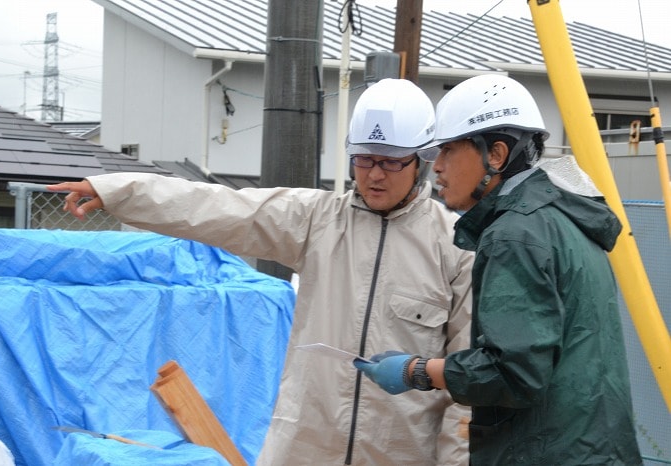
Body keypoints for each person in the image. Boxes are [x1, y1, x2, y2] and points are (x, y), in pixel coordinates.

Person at [47, 78, 474, 465]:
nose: (375, 174)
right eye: (364, 160)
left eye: (391, 161)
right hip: (306, 447)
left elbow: (465, 378)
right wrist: (117, 192)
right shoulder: (317, 222)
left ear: (422, 160)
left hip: (399, 453)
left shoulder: (456, 247)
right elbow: (215, 207)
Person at [354, 74, 643, 465]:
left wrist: (415, 371)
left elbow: (512, 373)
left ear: (496, 155)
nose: (436, 167)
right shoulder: (561, 219)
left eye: (448, 151)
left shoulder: (514, 234)